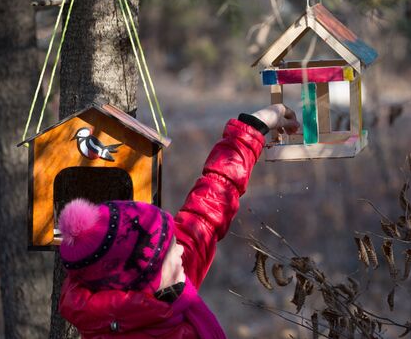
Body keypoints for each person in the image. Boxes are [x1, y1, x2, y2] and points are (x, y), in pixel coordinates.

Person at [58, 104, 299, 338]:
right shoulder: (164, 292)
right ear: (143, 276)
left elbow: (207, 209)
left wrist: (252, 128)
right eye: (171, 247)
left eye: (173, 239)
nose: (180, 248)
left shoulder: (167, 286)